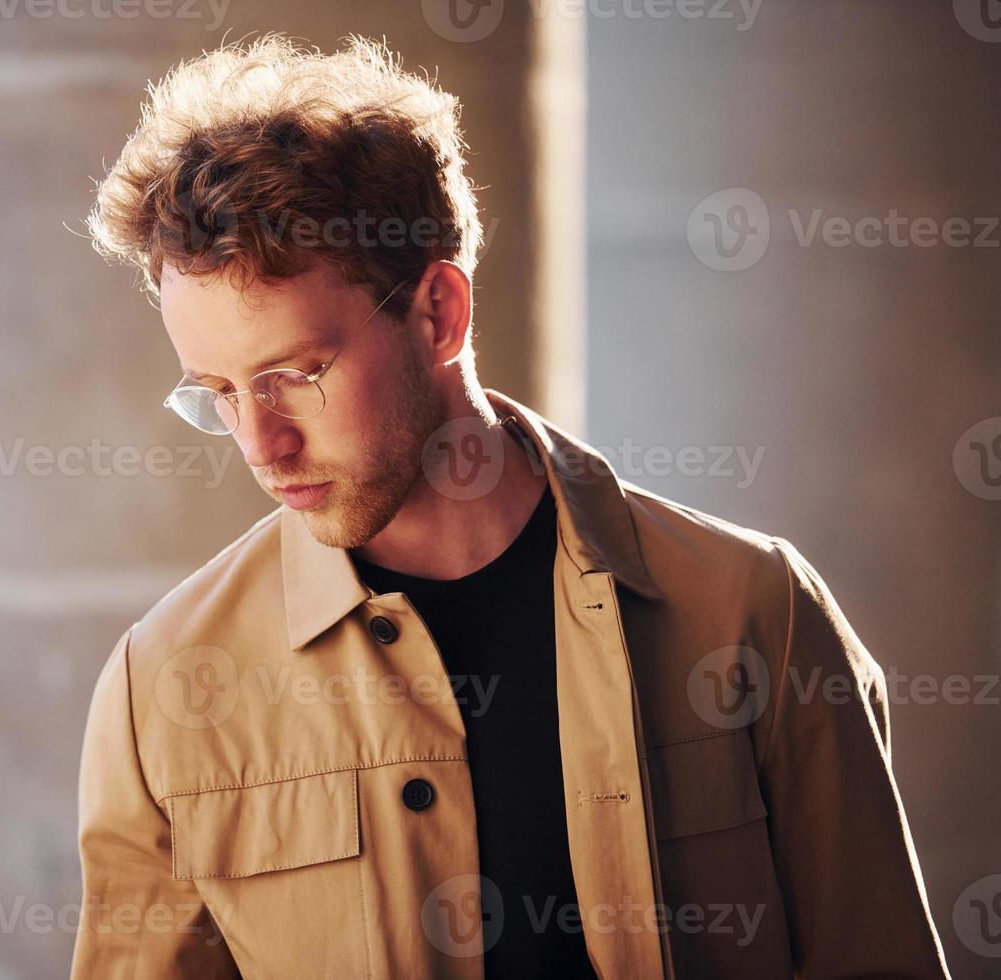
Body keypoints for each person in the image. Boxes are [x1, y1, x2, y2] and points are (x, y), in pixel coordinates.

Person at [70, 34, 950, 979]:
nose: (260, 443)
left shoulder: (754, 613)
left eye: (295, 373)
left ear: (440, 312)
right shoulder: (161, 686)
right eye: (218, 393)